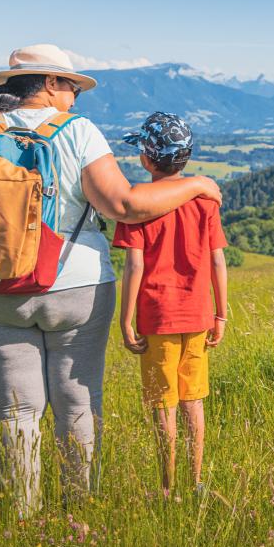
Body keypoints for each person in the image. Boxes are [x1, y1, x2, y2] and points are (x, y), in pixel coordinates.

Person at [0, 44, 223, 514]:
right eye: (71, 86)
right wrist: (200, 185)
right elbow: (124, 205)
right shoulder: (78, 131)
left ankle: (20, 520)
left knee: (15, 410)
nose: (76, 97)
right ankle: (79, 513)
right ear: (49, 84)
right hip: (74, 286)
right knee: (76, 403)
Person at [113, 112, 228, 498]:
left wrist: (126, 319)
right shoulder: (205, 202)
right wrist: (221, 313)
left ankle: (166, 488)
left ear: (146, 159)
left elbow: (134, 264)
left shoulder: (138, 205)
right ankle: (194, 483)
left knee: (162, 404)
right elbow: (216, 260)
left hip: (157, 316)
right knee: (192, 401)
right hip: (197, 315)